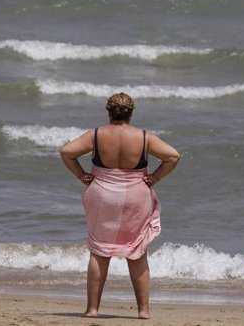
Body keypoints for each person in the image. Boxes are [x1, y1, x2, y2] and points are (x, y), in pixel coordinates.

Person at [60, 92, 180, 319]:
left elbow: (67, 152)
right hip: (136, 195)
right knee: (137, 251)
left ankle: (92, 310)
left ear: (108, 111)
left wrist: (81, 175)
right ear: (131, 113)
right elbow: (173, 156)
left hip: (102, 193)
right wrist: (154, 177)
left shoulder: (96, 135)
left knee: (99, 251)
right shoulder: (144, 137)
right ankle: (143, 311)